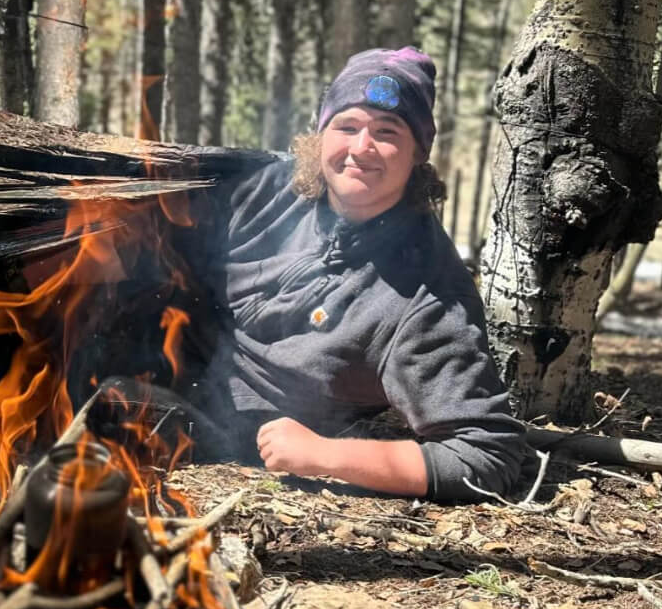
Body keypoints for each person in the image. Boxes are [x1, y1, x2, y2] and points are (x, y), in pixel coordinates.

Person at [198, 47, 524, 502]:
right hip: (164, 355)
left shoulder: (425, 295)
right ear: (321, 135)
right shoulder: (265, 191)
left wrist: (324, 454)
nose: (360, 148)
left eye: (386, 132)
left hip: (224, 426)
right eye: (346, 127)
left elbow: (486, 455)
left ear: (417, 153)